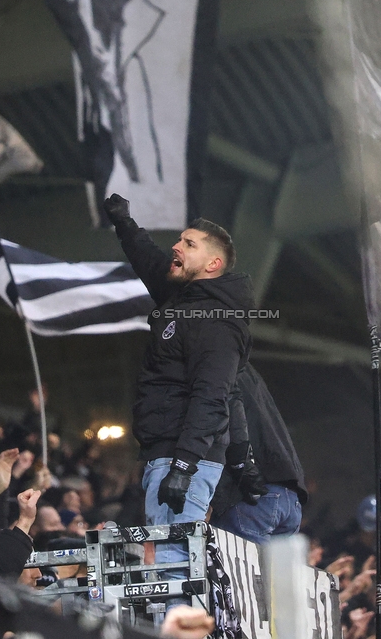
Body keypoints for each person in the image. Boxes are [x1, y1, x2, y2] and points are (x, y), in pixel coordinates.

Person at [103, 193, 253, 560]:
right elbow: (150, 260)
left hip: (185, 459)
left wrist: (184, 465)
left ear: (213, 264)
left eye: (189, 244)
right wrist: (124, 223)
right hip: (167, 454)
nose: (177, 246)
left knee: (175, 568)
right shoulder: (182, 298)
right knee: (168, 565)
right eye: (180, 240)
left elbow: (212, 395)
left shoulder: (215, 319)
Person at [211, 363, 307, 544]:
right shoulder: (248, 372)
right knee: (275, 565)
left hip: (249, 494)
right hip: (290, 497)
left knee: (236, 563)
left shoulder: (215, 368)